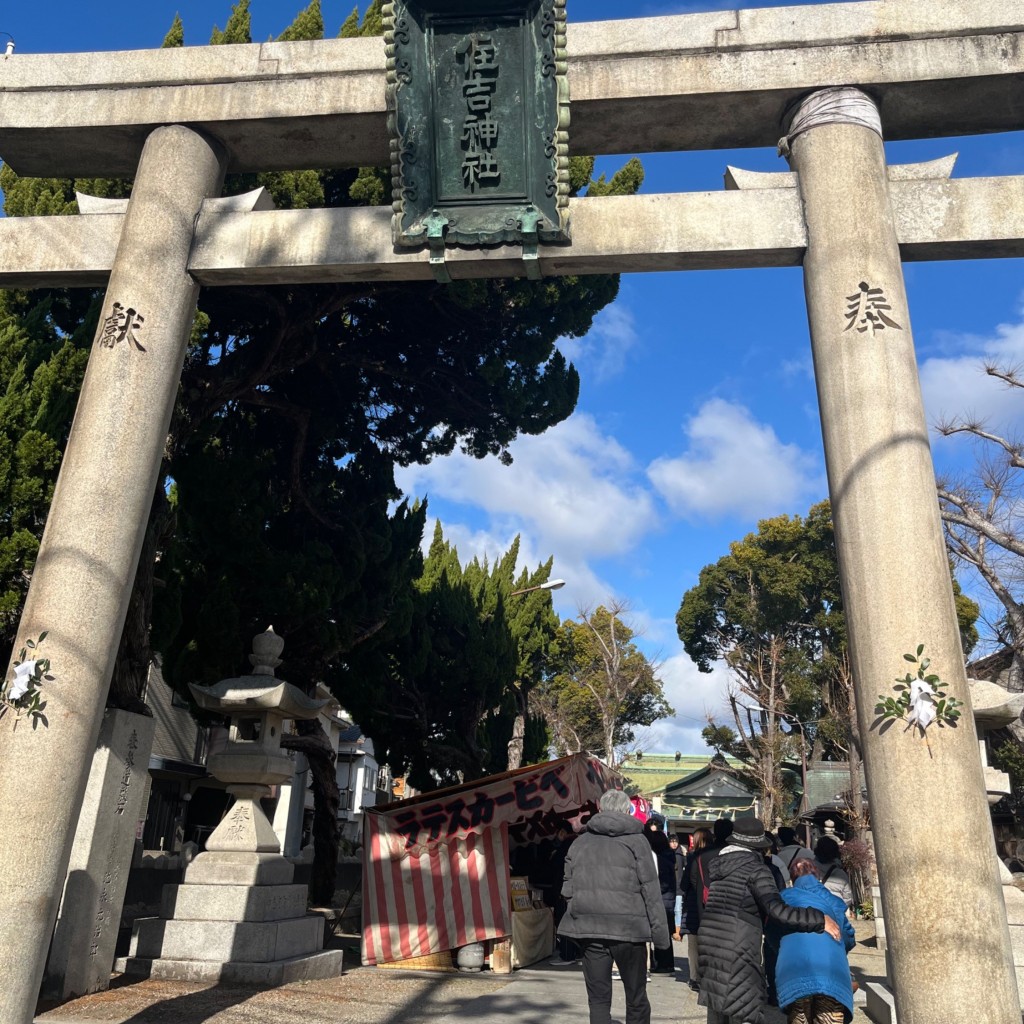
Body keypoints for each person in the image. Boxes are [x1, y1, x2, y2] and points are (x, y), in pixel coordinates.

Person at [698, 817, 842, 1024]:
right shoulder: (756, 869)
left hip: (710, 941)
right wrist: (819, 919)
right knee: (742, 1009)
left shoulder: (719, 867)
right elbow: (777, 909)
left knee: (719, 1006)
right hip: (738, 945)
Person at [558, 788, 671, 1024]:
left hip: (591, 929)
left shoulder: (580, 843)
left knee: (598, 999)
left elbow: (568, 888)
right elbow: (651, 891)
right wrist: (661, 938)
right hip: (629, 930)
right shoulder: (638, 842)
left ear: (600, 809)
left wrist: (580, 909)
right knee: (636, 996)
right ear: (626, 810)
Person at [775, 859, 857, 1024]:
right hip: (829, 970)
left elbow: (772, 933)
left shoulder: (782, 899)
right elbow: (848, 937)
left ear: (792, 878)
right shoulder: (832, 901)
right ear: (817, 875)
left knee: (799, 1017)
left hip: (793, 970)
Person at [681, 826, 712, 992]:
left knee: (693, 944)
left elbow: (684, 884)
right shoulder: (718, 856)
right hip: (712, 904)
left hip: (694, 904)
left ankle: (694, 977)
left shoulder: (693, 857)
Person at [646, 830, 677, 972]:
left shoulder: (658, 860)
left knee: (659, 931)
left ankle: (663, 964)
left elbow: (663, 883)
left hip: (661, 900)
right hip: (668, 900)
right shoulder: (669, 858)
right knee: (664, 933)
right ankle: (666, 963)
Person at [813, 837, 854, 911]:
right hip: (834, 914)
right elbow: (847, 898)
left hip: (814, 914)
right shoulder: (841, 874)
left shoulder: (809, 870)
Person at [669, 834, 686, 940]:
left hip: (679, 886)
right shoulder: (666, 854)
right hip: (670, 886)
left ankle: (677, 930)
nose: (674, 843)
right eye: (672, 841)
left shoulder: (681, 854)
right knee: (671, 909)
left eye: (676, 841)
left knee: (678, 909)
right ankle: (672, 929)